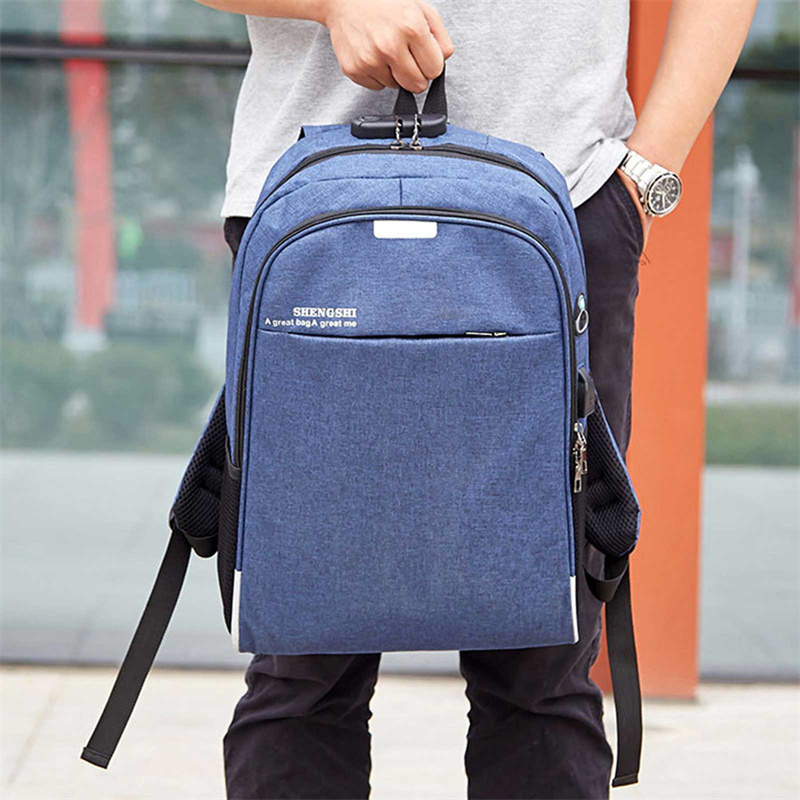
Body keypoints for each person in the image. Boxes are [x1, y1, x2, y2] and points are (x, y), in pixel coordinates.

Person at [194, 1, 757, 797]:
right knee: (302, 667)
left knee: (543, 669)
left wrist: (644, 176)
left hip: (565, 204)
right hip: (315, 206)